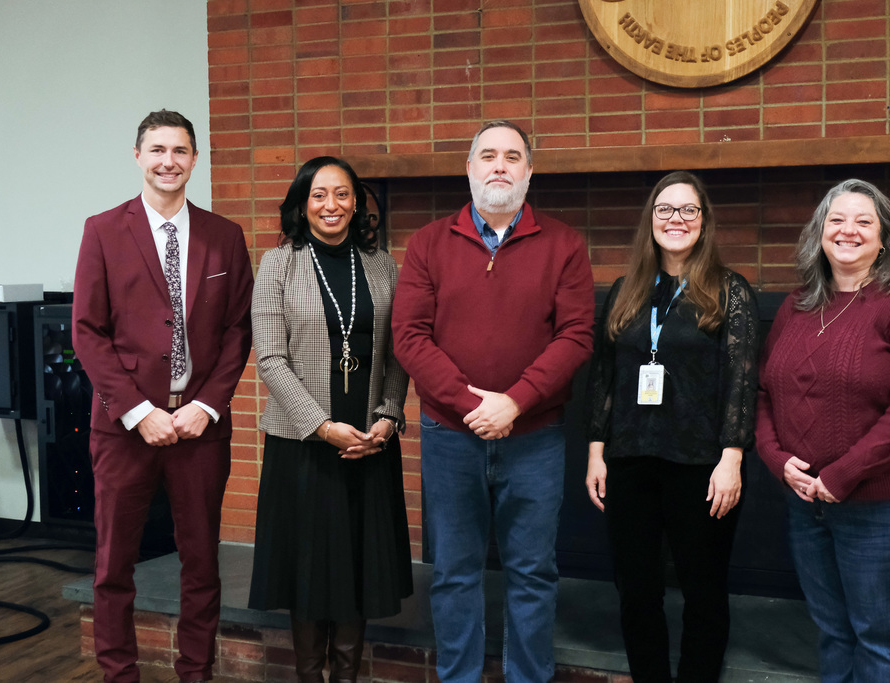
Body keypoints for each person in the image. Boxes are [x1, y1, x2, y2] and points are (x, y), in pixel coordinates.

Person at [392, 120, 595, 683]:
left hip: (535, 439)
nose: (499, 165)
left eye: (512, 156)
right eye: (488, 155)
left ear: (529, 172)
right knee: (455, 572)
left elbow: (576, 335)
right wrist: (469, 404)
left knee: (532, 573)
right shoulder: (429, 243)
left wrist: (515, 402)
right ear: (470, 169)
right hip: (449, 437)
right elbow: (410, 336)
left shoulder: (564, 244)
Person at [73, 109, 254, 683]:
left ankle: (195, 673)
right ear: (137, 157)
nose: (168, 161)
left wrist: (205, 407)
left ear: (194, 159)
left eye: (179, 151)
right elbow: (87, 332)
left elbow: (237, 331)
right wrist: (138, 410)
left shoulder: (224, 236)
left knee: (201, 563)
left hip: (200, 428)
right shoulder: (102, 230)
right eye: (157, 150)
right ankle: (119, 675)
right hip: (125, 428)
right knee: (113, 566)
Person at [755, 179, 890, 682]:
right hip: (808, 503)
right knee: (833, 630)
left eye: (864, 221)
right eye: (836, 220)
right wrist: (777, 460)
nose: (848, 230)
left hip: (889, 505)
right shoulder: (797, 305)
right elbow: (763, 393)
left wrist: (841, 476)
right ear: (819, 233)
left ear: (885, 237)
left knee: (878, 638)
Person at [585, 171, 760, 682]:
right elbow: (604, 377)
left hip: (701, 466)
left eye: (688, 210)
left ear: (704, 223)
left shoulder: (731, 292)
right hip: (631, 461)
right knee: (637, 592)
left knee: (703, 593)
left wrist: (733, 459)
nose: (676, 219)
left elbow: (742, 384)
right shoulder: (625, 289)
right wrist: (597, 452)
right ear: (651, 221)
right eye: (665, 210)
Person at [248, 156, 412, 683]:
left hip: (367, 442)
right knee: (309, 571)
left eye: (342, 194)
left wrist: (387, 418)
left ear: (358, 203)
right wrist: (321, 425)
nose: (331, 205)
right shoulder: (279, 264)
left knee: (357, 571)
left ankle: (346, 676)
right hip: (303, 446)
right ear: (302, 203)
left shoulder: (383, 265)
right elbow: (270, 358)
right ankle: (308, 675)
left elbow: (398, 354)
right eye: (319, 195)